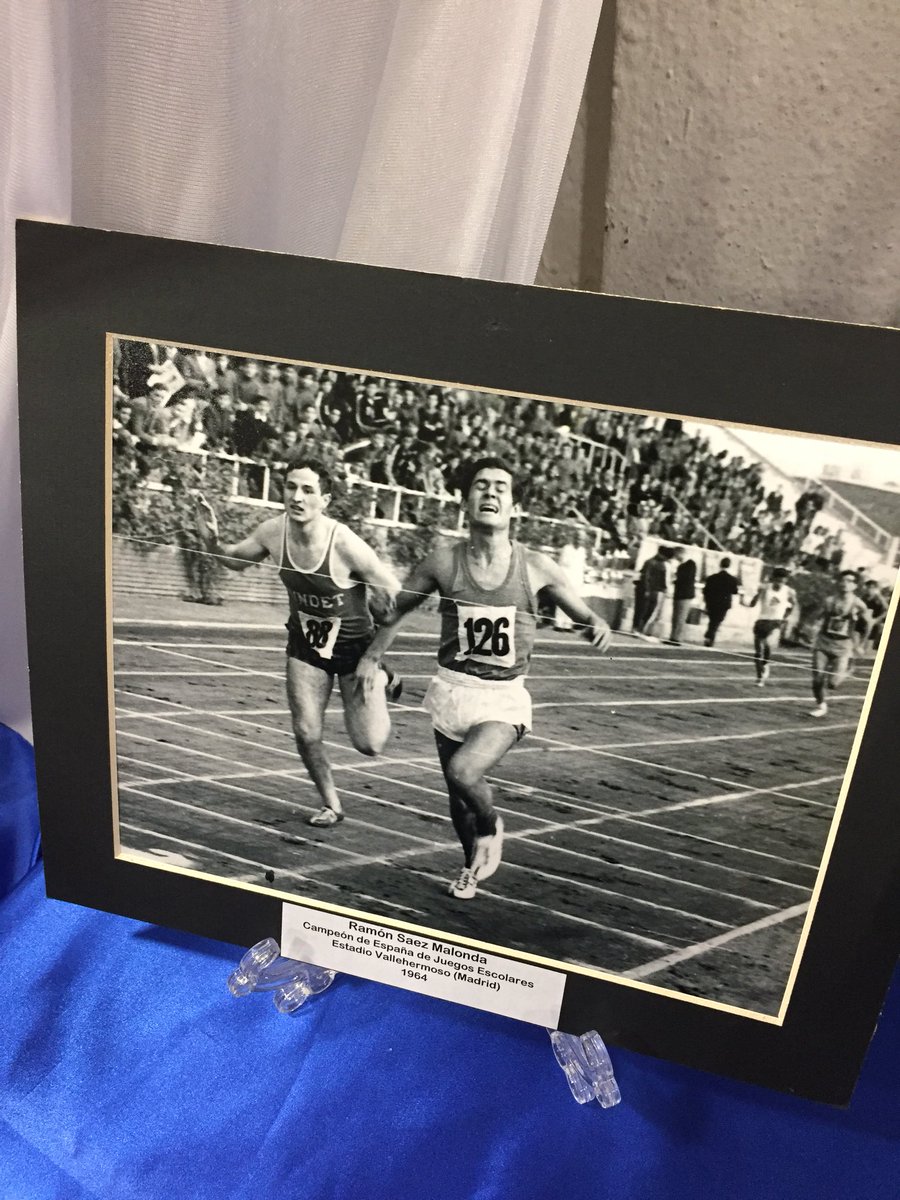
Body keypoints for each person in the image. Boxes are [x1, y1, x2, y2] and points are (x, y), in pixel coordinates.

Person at [356, 457, 612, 900]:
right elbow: (397, 611)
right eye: (480, 485)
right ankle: (469, 867)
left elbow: (585, 614)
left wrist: (596, 625)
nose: (490, 492)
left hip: (502, 698)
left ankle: (492, 828)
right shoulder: (442, 562)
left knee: (464, 771)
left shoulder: (536, 566)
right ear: (464, 502)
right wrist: (370, 656)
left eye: (500, 487)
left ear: (514, 506)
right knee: (458, 800)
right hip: (452, 691)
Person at [194, 459, 403, 828]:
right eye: (291, 487)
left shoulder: (345, 544)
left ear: (325, 500)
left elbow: (400, 602)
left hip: (355, 651)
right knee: (306, 731)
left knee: (370, 744)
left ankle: (384, 676)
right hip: (307, 646)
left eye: (308, 490)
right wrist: (210, 538)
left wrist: (373, 658)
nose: (297, 497)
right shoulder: (273, 532)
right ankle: (331, 804)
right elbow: (235, 560)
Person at [809, 569, 870, 717]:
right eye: (842, 580)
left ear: (855, 585)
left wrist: (861, 644)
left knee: (833, 683)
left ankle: (848, 670)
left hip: (843, 646)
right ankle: (821, 705)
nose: (844, 583)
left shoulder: (858, 604)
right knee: (817, 678)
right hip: (824, 642)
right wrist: (813, 627)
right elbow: (817, 617)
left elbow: (868, 624)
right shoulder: (829, 601)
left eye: (849, 581)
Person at [745, 567, 797, 686]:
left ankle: (766, 663)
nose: (779, 584)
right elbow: (753, 603)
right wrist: (748, 601)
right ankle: (760, 677)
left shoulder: (789, 591)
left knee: (768, 643)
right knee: (758, 652)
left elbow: (793, 605)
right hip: (762, 620)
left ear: (785, 581)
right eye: (777, 581)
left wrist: (785, 617)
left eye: (782, 581)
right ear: (773, 579)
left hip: (776, 621)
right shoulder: (765, 588)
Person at [633, 545, 670, 640]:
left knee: (649, 610)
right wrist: (647, 590)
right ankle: (636, 628)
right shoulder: (651, 562)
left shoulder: (660, 563)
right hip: (647, 589)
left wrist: (663, 588)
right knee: (642, 609)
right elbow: (646, 577)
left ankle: (640, 628)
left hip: (654, 590)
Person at [702, 556, 740, 646]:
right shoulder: (732, 579)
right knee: (717, 621)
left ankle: (709, 636)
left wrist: (706, 601)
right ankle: (710, 636)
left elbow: (705, 591)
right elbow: (735, 591)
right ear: (729, 565)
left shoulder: (712, 578)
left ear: (720, 564)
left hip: (712, 602)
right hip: (724, 604)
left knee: (712, 620)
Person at [665, 547, 696, 645]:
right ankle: (673, 636)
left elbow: (686, 579)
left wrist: (675, 579)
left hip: (685, 594)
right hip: (679, 594)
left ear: (681, 554)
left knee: (680, 617)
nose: (676, 557)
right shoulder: (682, 565)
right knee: (676, 616)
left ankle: (677, 638)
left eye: (676, 555)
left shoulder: (690, 564)